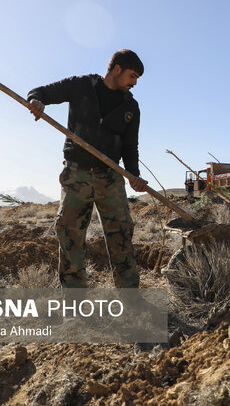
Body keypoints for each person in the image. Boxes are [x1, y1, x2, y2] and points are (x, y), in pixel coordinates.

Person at [28, 49, 148, 288]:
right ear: (116, 69)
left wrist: (134, 175)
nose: (134, 83)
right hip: (76, 175)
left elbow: (130, 147)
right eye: (132, 76)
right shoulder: (81, 85)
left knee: (121, 236)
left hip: (110, 179)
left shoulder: (131, 107)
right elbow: (40, 92)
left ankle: (131, 299)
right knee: (70, 236)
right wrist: (35, 101)